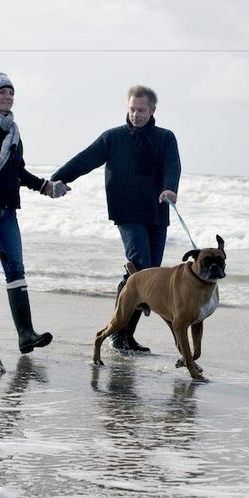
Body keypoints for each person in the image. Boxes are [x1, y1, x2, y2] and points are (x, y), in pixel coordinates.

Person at [51, 85, 181, 352]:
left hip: (157, 213)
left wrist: (170, 187)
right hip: (127, 212)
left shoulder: (166, 138)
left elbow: (172, 165)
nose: (136, 114)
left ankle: (124, 334)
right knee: (140, 266)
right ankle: (117, 333)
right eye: (132, 109)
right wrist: (57, 179)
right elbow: (85, 159)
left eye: (141, 110)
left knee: (148, 278)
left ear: (153, 110)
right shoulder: (113, 138)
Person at [0, 71, 69, 354]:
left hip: (8, 213)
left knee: (15, 269)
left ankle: (26, 334)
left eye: (11, 93)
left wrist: (46, 187)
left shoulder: (14, 132)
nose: (8, 97)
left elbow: (17, 172)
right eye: (2, 92)